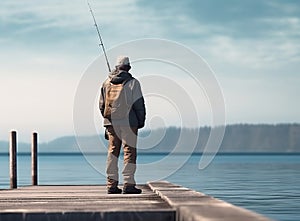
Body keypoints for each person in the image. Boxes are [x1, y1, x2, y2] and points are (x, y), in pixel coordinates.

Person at [99, 56, 146, 194]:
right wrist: (140, 122)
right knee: (129, 153)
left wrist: (108, 119)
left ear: (116, 67)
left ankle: (111, 185)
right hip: (129, 123)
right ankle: (128, 185)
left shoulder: (106, 83)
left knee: (112, 153)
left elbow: (101, 105)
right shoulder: (133, 83)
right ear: (128, 67)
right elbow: (139, 105)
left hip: (111, 123)